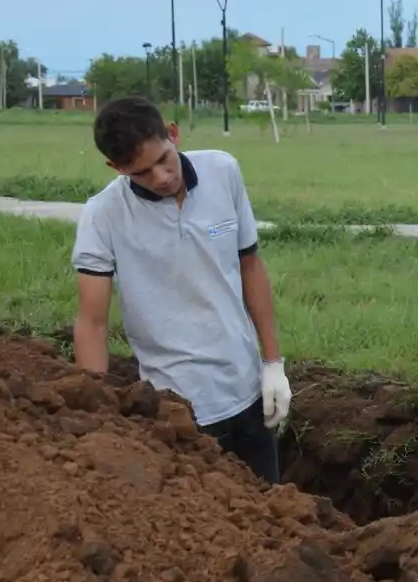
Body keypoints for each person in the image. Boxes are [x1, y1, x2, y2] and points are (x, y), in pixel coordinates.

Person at [70, 96, 291, 484]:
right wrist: (97, 408)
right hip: (180, 411)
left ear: (173, 133)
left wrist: (273, 364)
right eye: (140, 172)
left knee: (272, 517)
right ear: (116, 167)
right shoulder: (103, 214)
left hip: (248, 389)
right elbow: (92, 323)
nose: (160, 177)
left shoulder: (223, 171)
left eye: (162, 160)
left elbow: (250, 266)